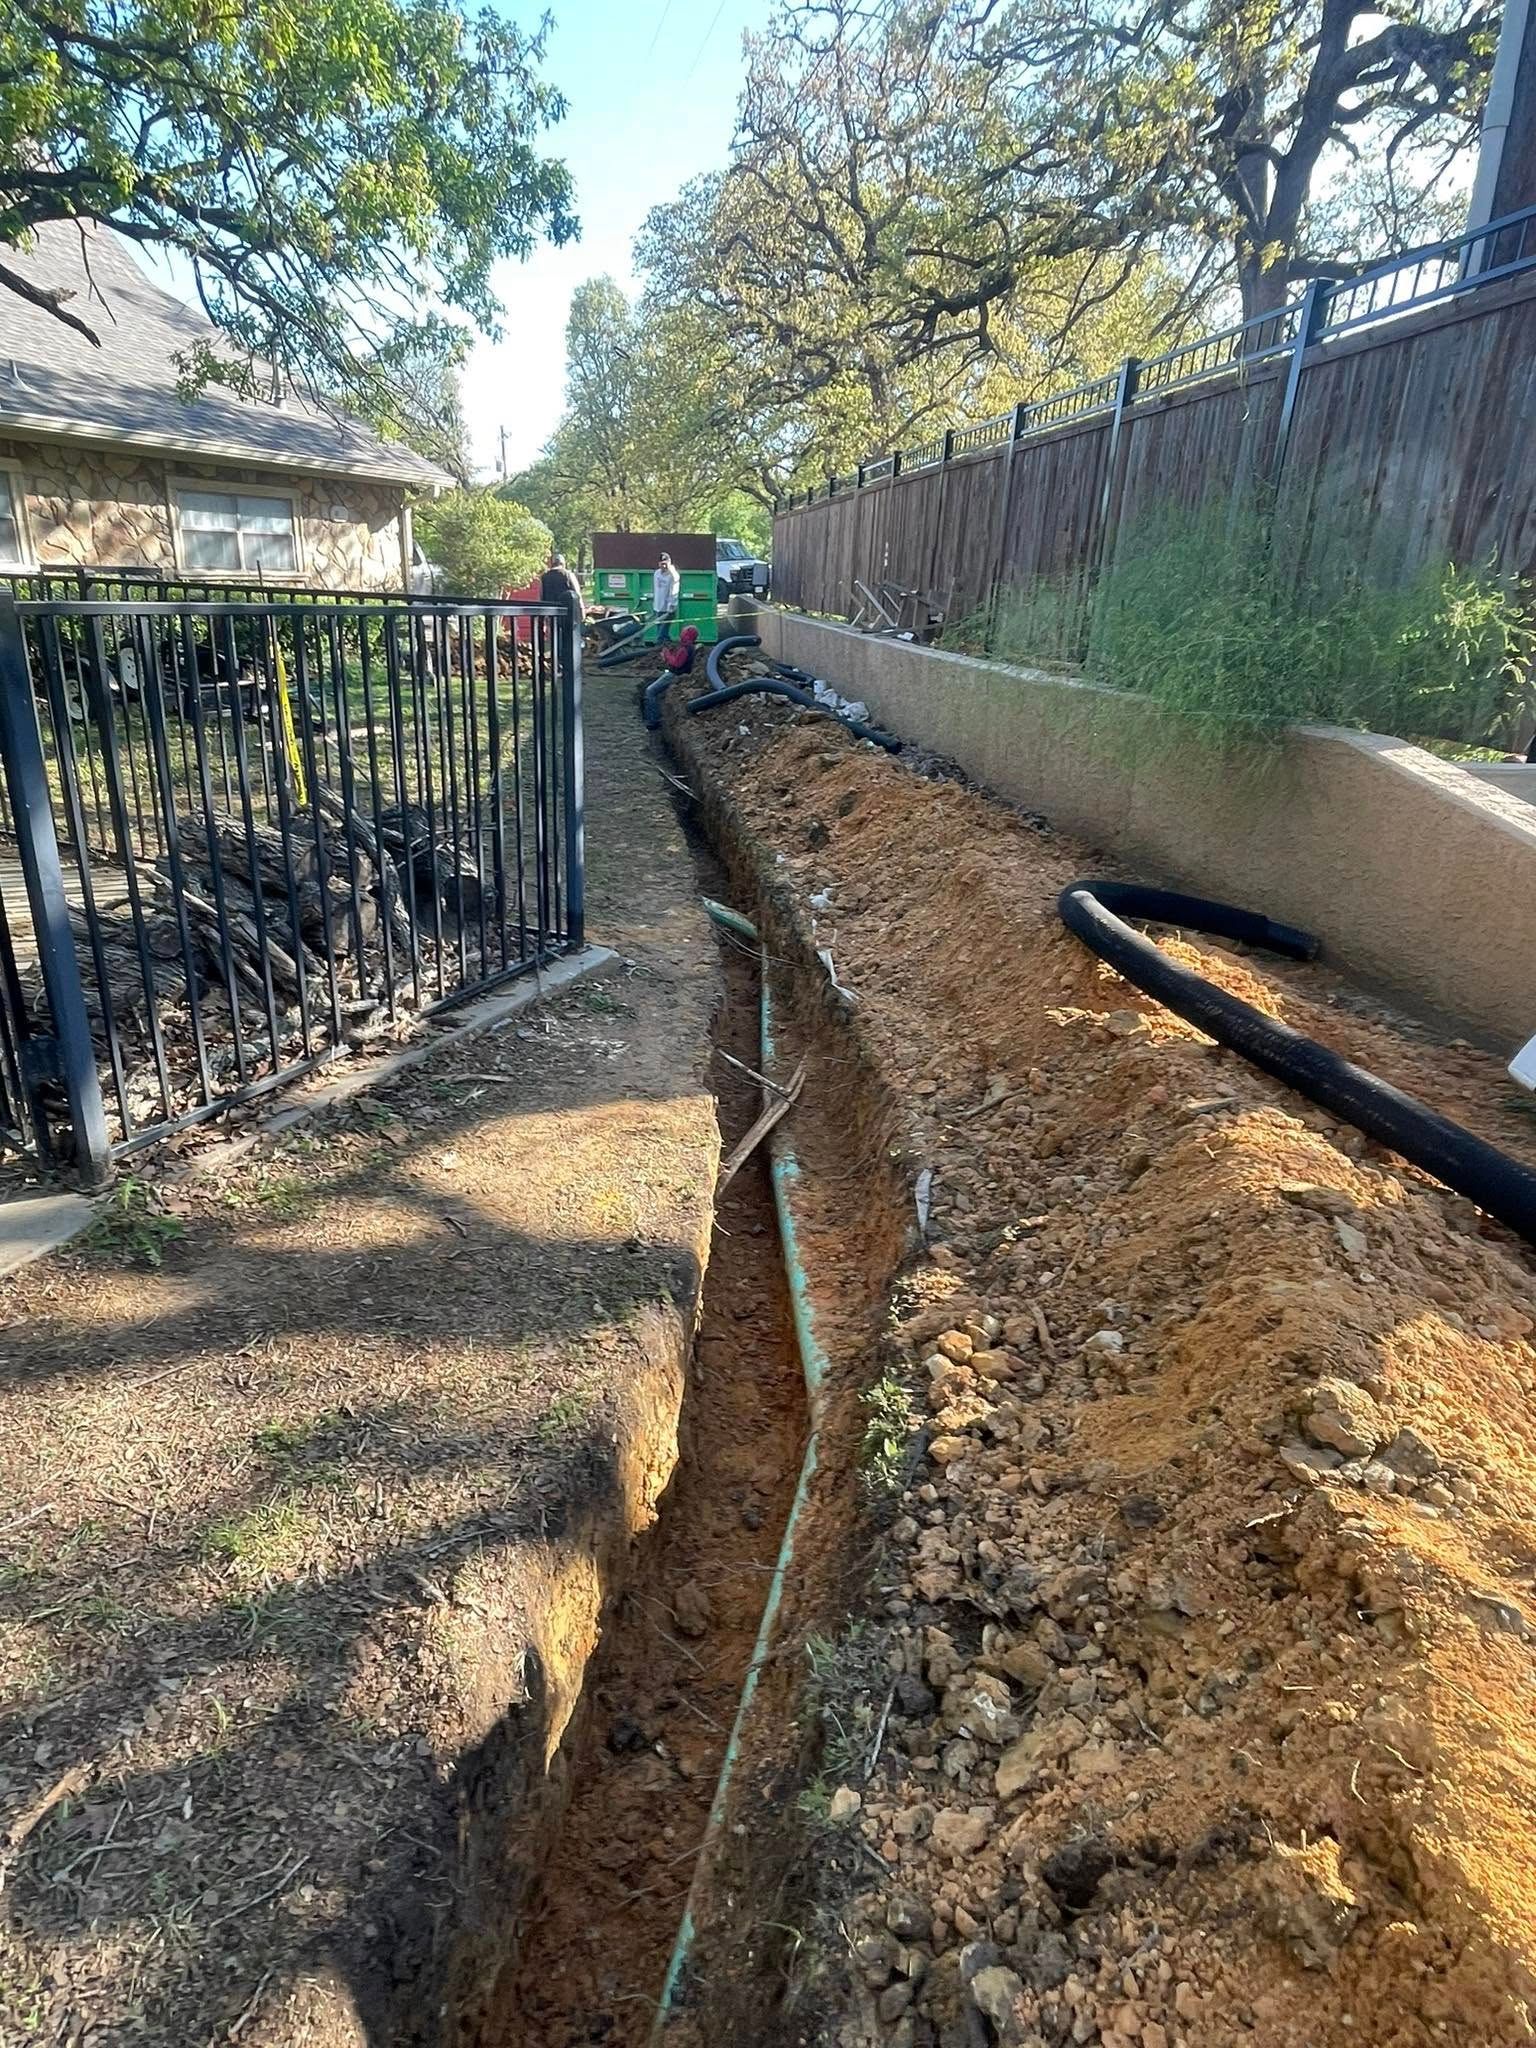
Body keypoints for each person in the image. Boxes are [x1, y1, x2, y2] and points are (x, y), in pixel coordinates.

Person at [640, 626, 699, 728]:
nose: (681, 634)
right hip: (678, 674)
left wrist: (667, 655)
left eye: (683, 632)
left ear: (686, 635)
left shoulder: (686, 648)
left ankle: (653, 721)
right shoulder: (689, 647)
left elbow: (677, 663)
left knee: (650, 691)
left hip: (674, 675)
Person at [539, 552, 586, 626]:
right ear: (563, 563)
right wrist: (582, 612)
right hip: (568, 614)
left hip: (551, 614)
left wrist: (543, 618)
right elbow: (577, 595)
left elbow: (541, 597)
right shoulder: (568, 575)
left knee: (554, 634)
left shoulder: (544, 577)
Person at [652, 551, 680, 642]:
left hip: (668, 608)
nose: (663, 566)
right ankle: (667, 644)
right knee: (662, 631)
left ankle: (660, 645)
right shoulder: (657, 573)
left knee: (661, 632)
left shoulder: (673, 575)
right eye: (661, 564)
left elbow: (674, 591)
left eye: (665, 564)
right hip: (658, 606)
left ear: (669, 562)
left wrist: (671, 606)